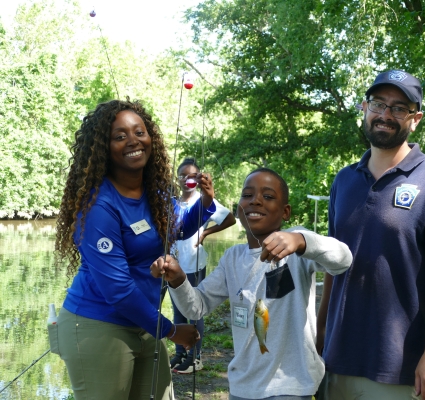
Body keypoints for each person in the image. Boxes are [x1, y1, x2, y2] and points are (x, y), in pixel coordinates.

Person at [316, 70, 425, 400]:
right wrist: (320, 331)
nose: (385, 115)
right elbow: (332, 262)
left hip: (397, 368)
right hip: (336, 360)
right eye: (378, 104)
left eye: (399, 108)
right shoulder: (343, 181)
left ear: (416, 119)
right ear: (364, 108)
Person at [53, 99, 216, 400]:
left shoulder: (154, 194)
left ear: (150, 137)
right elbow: (118, 289)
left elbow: (178, 229)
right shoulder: (99, 206)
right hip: (98, 325)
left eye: (139, 131)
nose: (133, 141)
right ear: (104, 147)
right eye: (120, 136)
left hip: (144, 322)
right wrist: (170, 330)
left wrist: (205, 205)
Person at [150, 168, 353, 400]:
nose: (256, 201)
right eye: (247, 195)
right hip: (242, 388)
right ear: (238, 209)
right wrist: (178, 279)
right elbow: (196, 307)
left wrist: (301, 240)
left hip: (290, 387)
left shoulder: (297, 245)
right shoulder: (232, 258)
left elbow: (343, 259)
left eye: (268, 196)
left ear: (286, 211)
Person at [169, 157, 236, 374]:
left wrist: (206, 232)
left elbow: (230, 219)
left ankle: (195, 357)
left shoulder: (205, 200)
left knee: (195, 312)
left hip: (195, 264)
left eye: (192, 175)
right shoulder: (172, 203)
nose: (188, 179)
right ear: (178, 179)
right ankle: (179, 353)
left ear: (198, 179)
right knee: (178, 311)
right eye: (183, 175)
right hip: (174, 266)